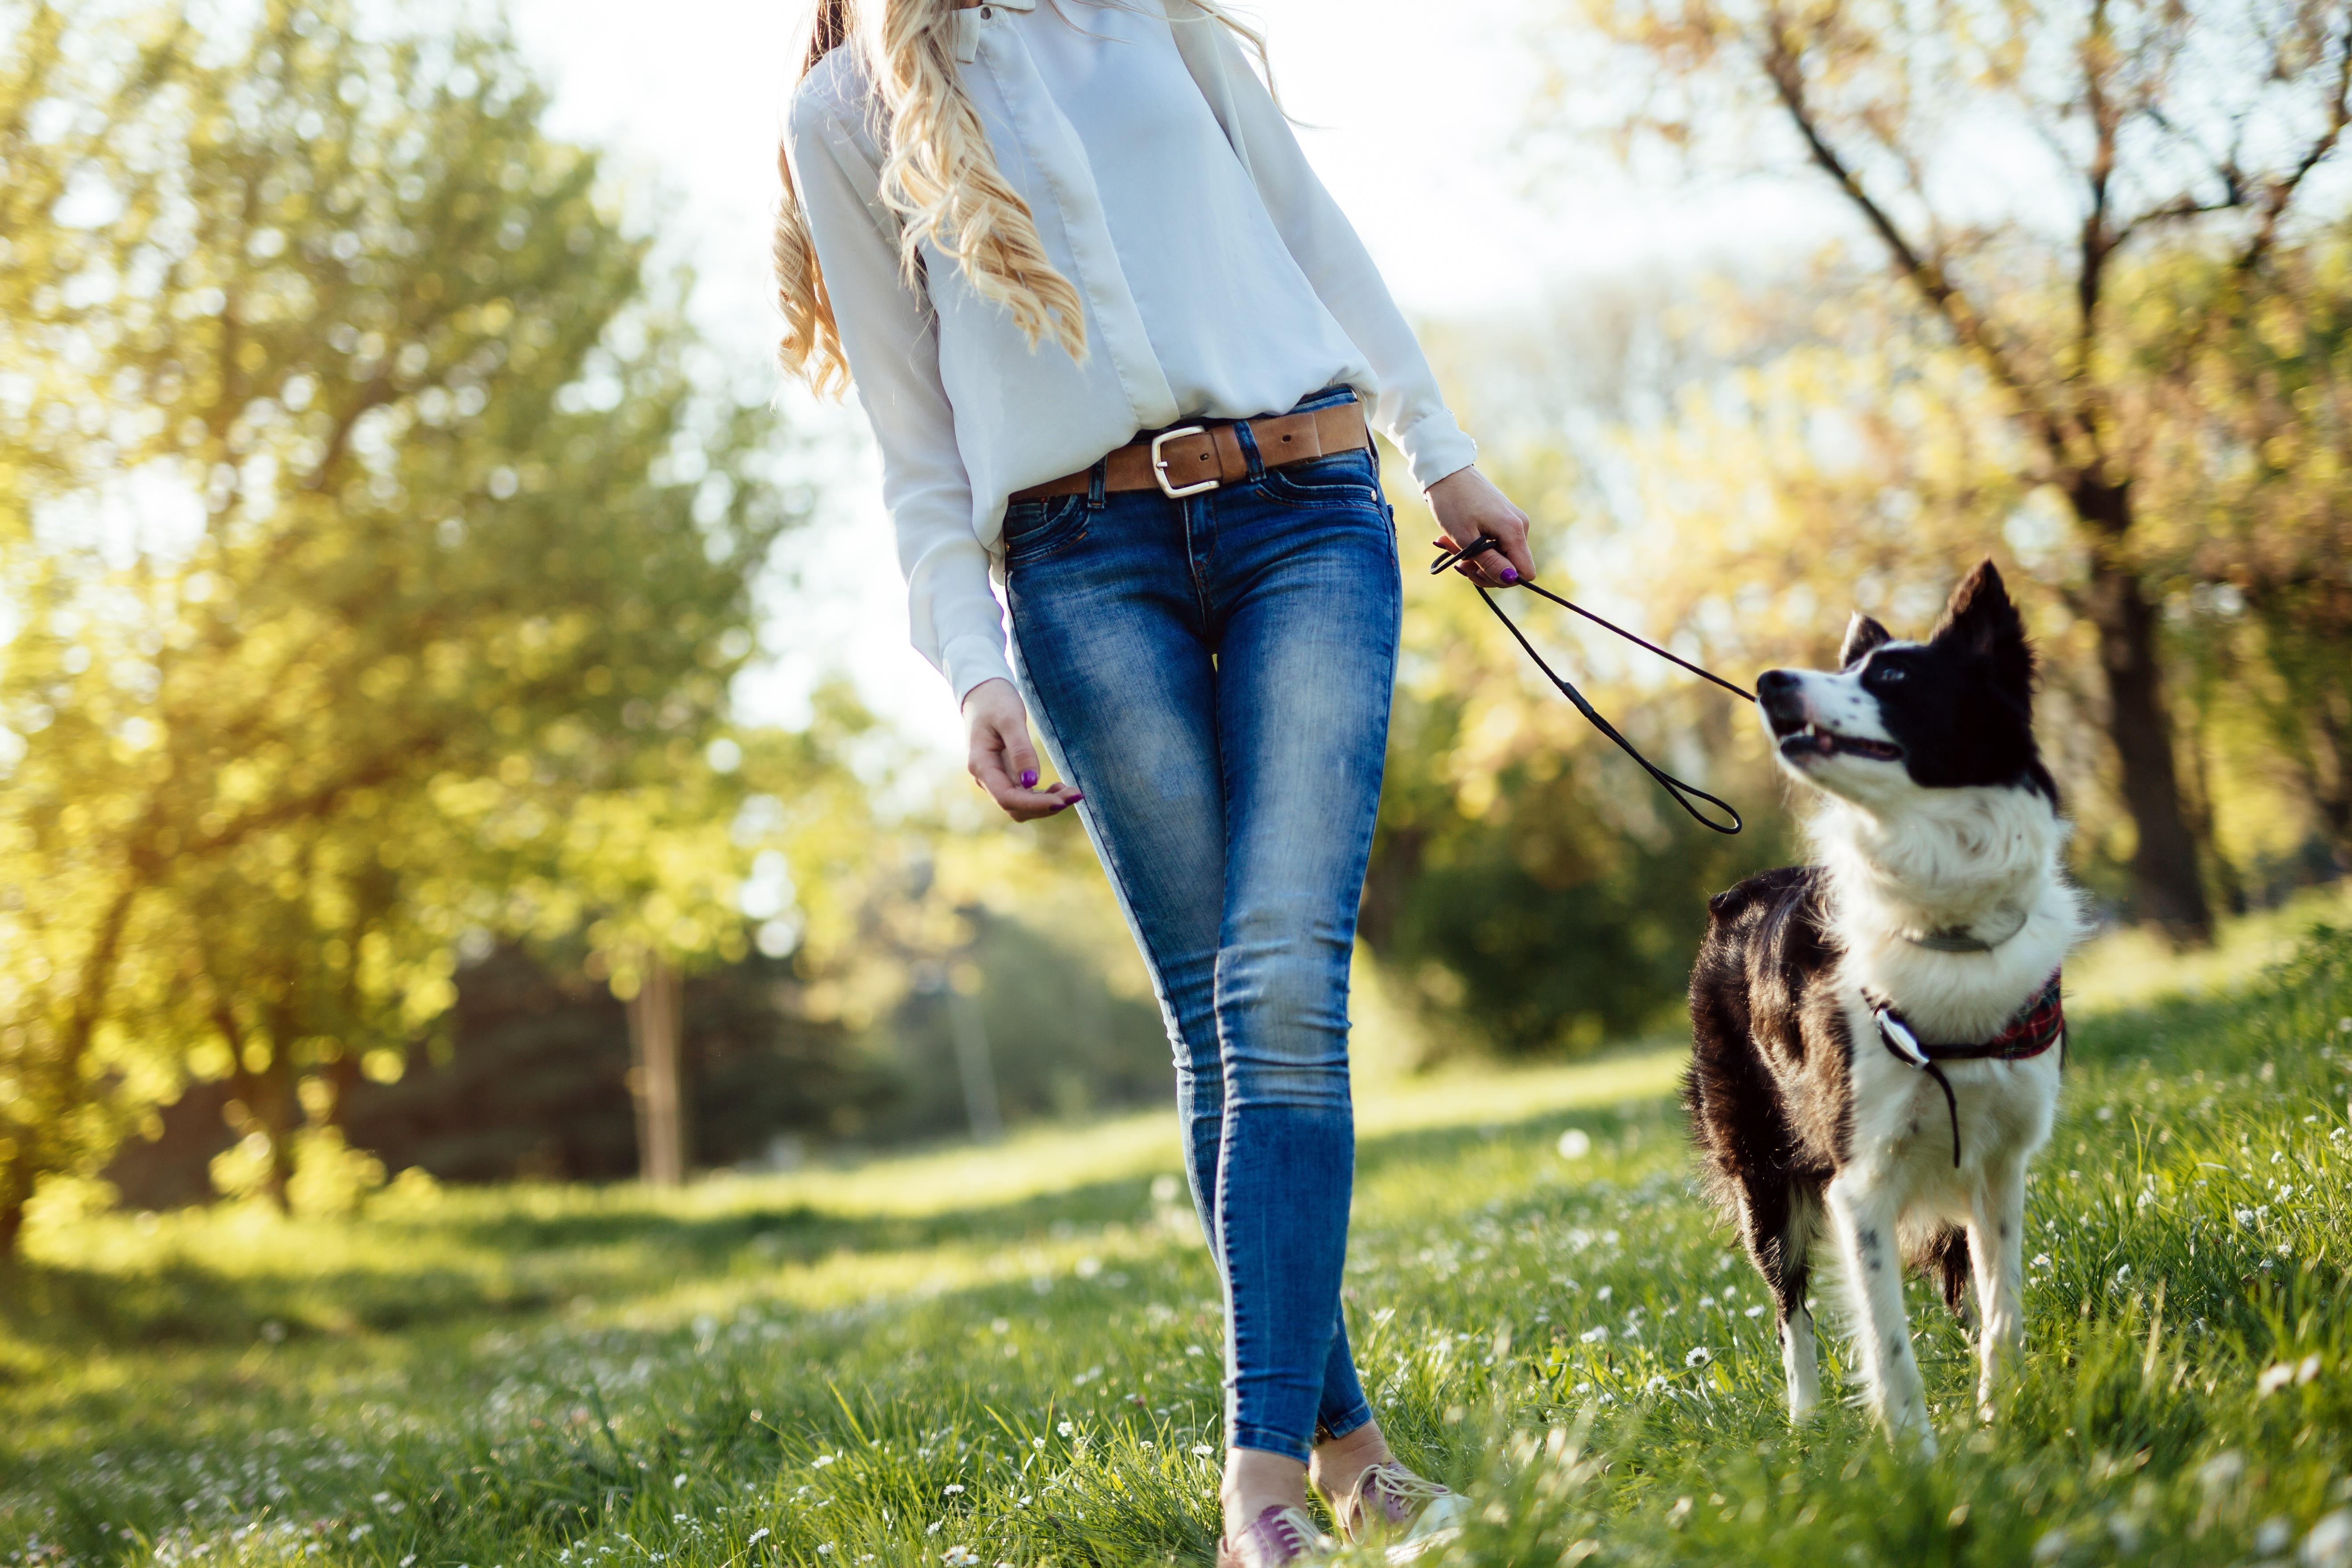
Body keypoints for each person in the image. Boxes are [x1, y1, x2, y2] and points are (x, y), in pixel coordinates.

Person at [774, 3, 1536, 1562]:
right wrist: (967, 666)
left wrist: (1442, 451)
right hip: (1075, 565)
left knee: (1277, 980)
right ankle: (1351, 1465)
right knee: (1219, 1010)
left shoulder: (1148, 18)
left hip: (1306, 506)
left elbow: (1313, 235)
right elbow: (910, 445)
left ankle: (1255, 1488)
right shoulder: (843, 116)